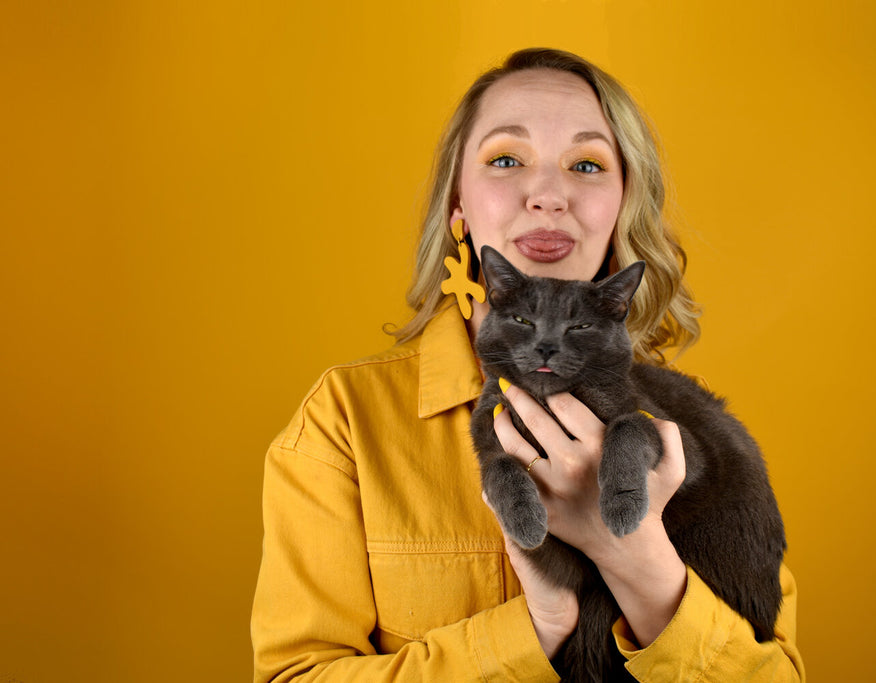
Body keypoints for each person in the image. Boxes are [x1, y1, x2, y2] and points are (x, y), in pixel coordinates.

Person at [251, 48, 805, 681]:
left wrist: (639, 563)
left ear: (622, 208)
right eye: (507, 159)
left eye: (587, 164)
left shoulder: (687, 419)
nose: (547, 195)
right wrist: (533, 631)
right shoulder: (345, 421)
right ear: (457, 207)